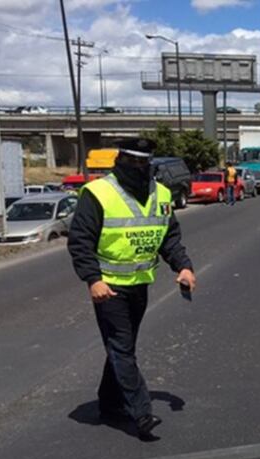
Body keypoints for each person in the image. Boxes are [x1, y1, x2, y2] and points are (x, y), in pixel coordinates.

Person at [67, 137, 197, 440]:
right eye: (133, 161)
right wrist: (93, 279)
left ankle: (109, 404)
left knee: (120, 348)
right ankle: (141, 412)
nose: (139, 167)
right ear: (121, 161)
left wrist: (184, 267)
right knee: (122, 348)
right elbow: (80, 240)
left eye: (144, 162)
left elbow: (169, 238)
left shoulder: (161, 193)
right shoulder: (98, 193)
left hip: (139, 285)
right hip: (108, 288)